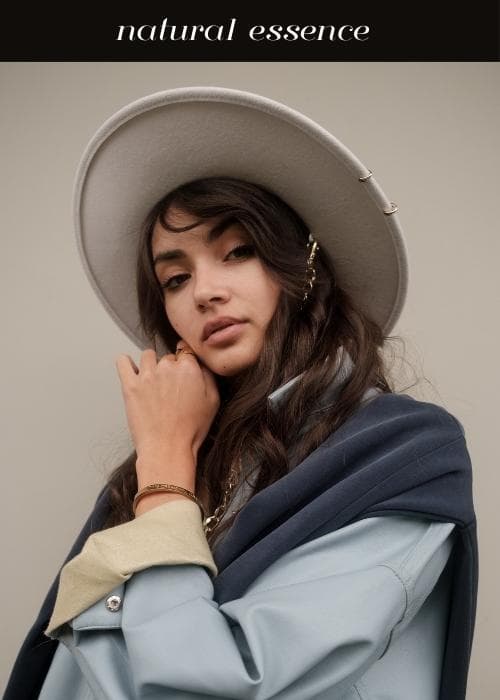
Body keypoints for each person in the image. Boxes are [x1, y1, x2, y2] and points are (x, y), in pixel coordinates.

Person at [4, 87, 477, 700]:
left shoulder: (400, 452)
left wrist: (164, 474)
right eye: (176, 278)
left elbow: (217, 686)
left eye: (239, 251)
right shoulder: (170, 465)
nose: (204, 291)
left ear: (302, 265)